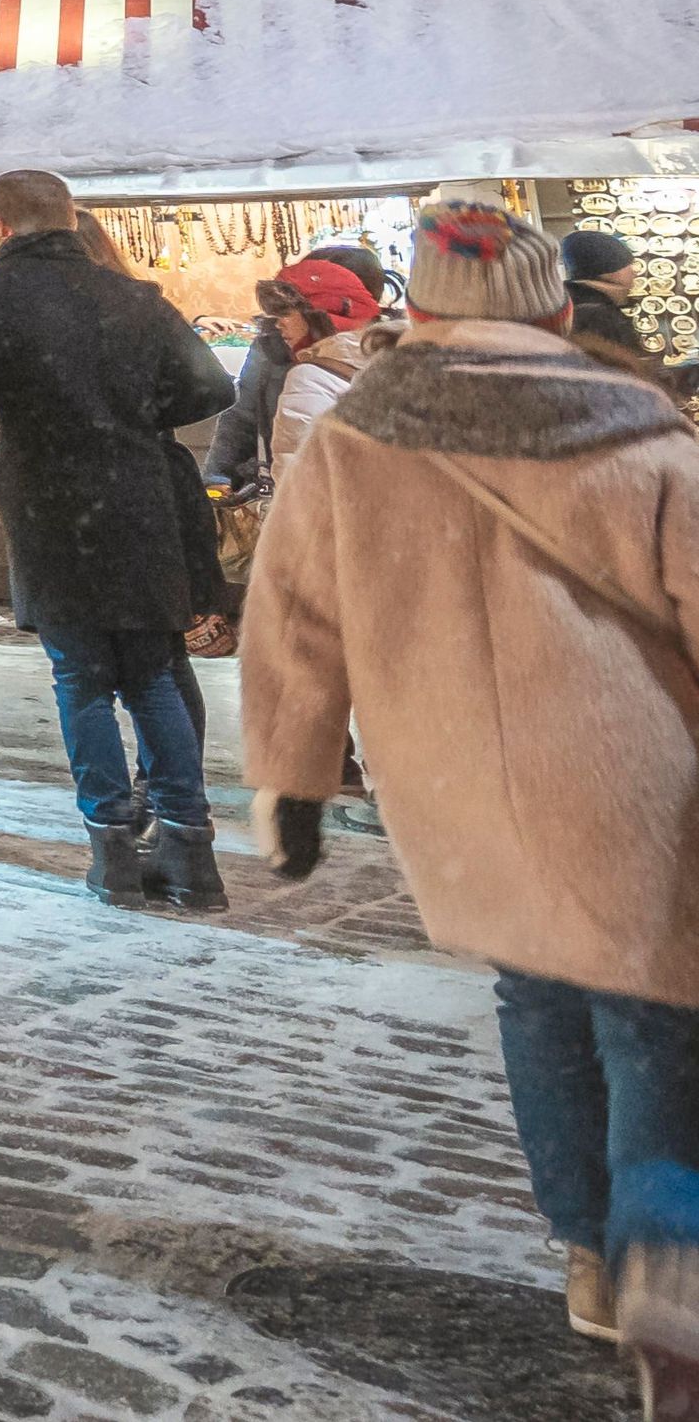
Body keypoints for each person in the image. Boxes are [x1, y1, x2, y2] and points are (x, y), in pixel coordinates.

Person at [249, 196, 699, 1362]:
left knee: (535, 1000)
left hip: (452, 793)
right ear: (555, 304)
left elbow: (292, 617)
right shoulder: (634, 426)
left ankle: (589, 1254)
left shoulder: (353, 437)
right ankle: (666, 1253)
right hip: (625, 772)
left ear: (422, 307)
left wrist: (290, 778)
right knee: (655, 1016)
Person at [0, 167, 236, 911]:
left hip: (51, 510)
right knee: (153, 672)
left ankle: (112, 853)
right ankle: (192, 856)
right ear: (72, 218)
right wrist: (134, 413)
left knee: (81, 682)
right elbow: (211, 387)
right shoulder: (134, 297)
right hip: (139, 502)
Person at [255, 256, 395, 489]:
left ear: (321, 313)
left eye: (286, 313)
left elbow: (299, 483)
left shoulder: (309, 378)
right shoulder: (403, 357)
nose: (279, 324)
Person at [558, 228, 679, 388]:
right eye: (628, 265)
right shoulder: (598, 316)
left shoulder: (570, 307)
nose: (635, 273)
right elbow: (627, 382)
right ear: (611, 272)